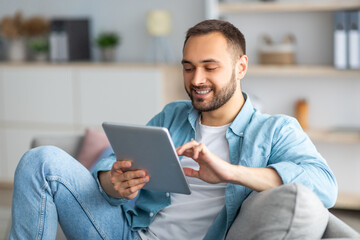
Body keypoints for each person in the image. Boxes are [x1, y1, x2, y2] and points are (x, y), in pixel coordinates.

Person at [10, 19, 337, 240]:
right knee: (41, 160)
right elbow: (111, 160)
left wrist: (230, 172)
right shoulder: (174, 115)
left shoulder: (274, 130)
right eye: (188, 67)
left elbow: (324, 186)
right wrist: (114, 182)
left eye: (210, 67)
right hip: (129, 232)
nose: (196, 80)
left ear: (241, 67)